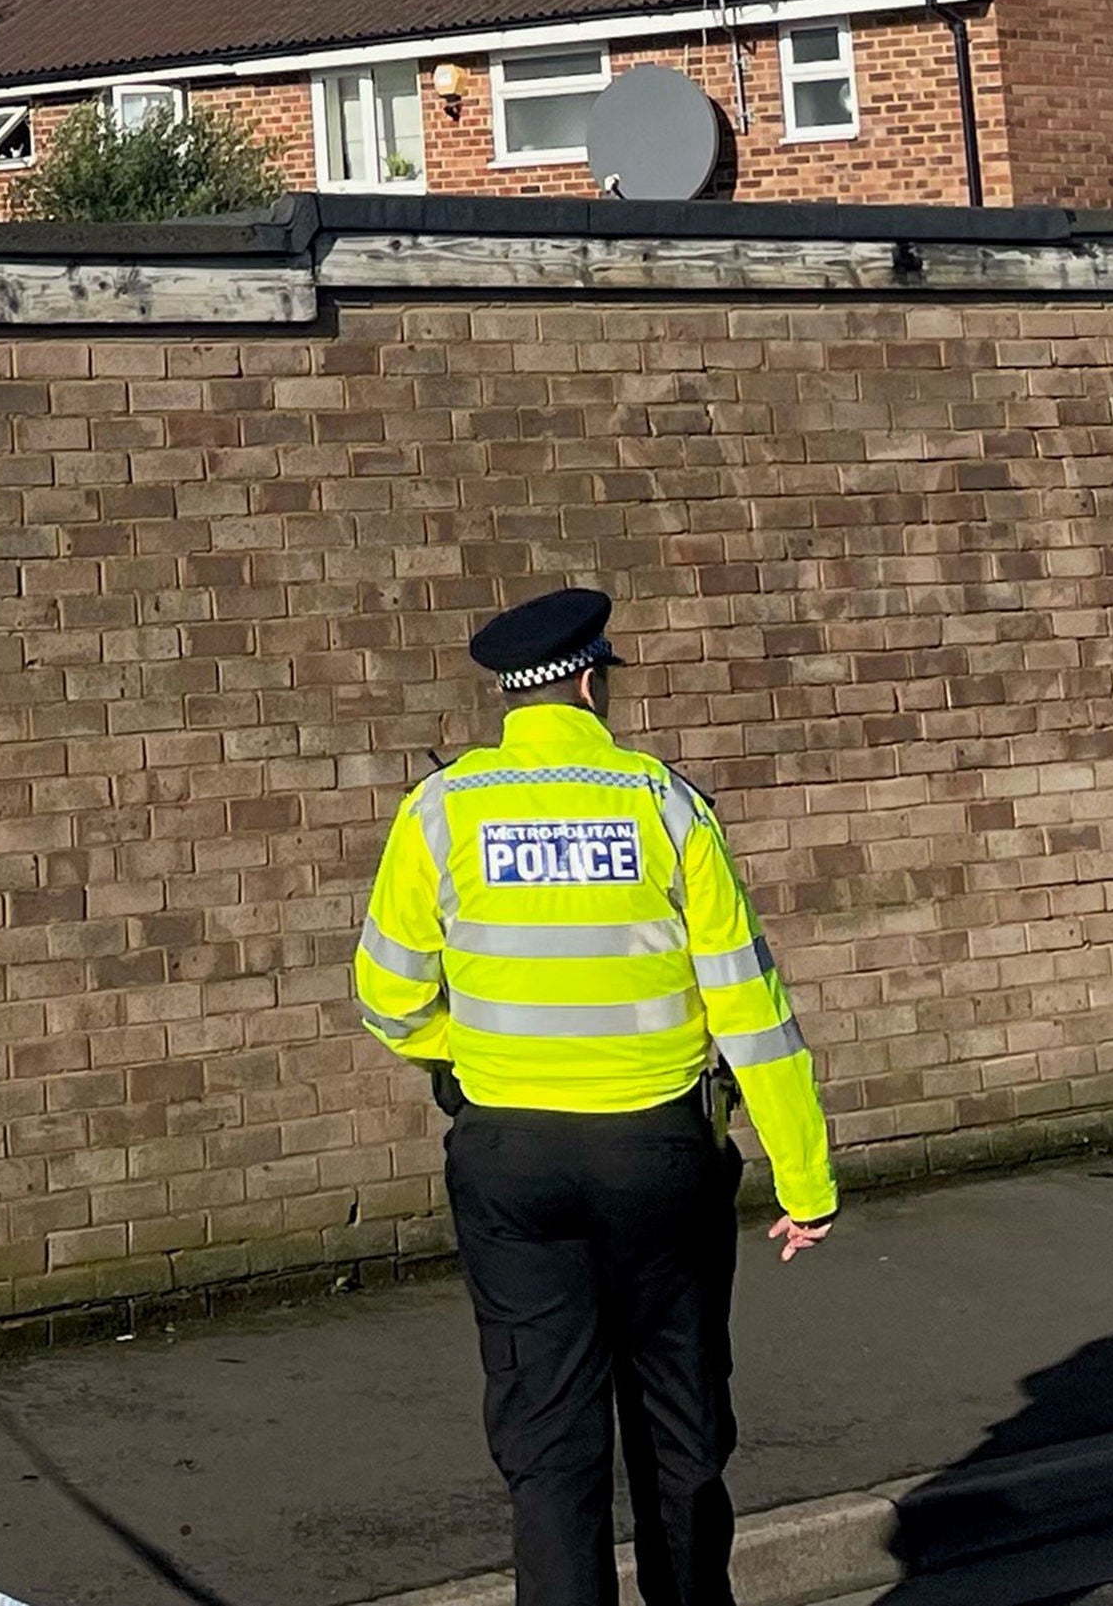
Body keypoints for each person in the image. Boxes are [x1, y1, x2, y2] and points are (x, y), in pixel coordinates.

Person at [354, 586, 836, 1606]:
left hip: (509, 1159)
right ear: (587, 680)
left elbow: (385, 999)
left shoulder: (441, 811)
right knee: (679, 1427)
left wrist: (472, 1060)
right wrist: (805, 1181)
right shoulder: (662, 805)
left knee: (547, 1440)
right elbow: (750, 1012)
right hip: (657, 1158)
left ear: (510, 697)